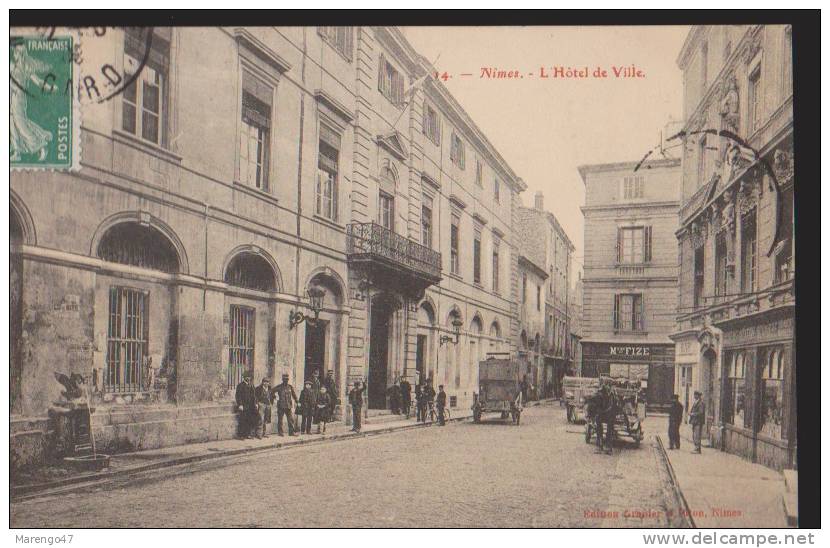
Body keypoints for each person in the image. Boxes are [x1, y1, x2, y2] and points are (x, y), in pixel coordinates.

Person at [235, 373, 258, 439]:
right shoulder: (240, 385)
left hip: (251, 406)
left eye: (249, 377)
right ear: (244, 377)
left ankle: (247, 434)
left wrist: (256, 403)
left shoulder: (251, 385)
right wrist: (240, 404)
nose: (248, 378)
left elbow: (255, 396)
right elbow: (238, 396)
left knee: (249, 420)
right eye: (247, 376)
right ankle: (241, 435)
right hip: (244, 406)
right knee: (242, 420)